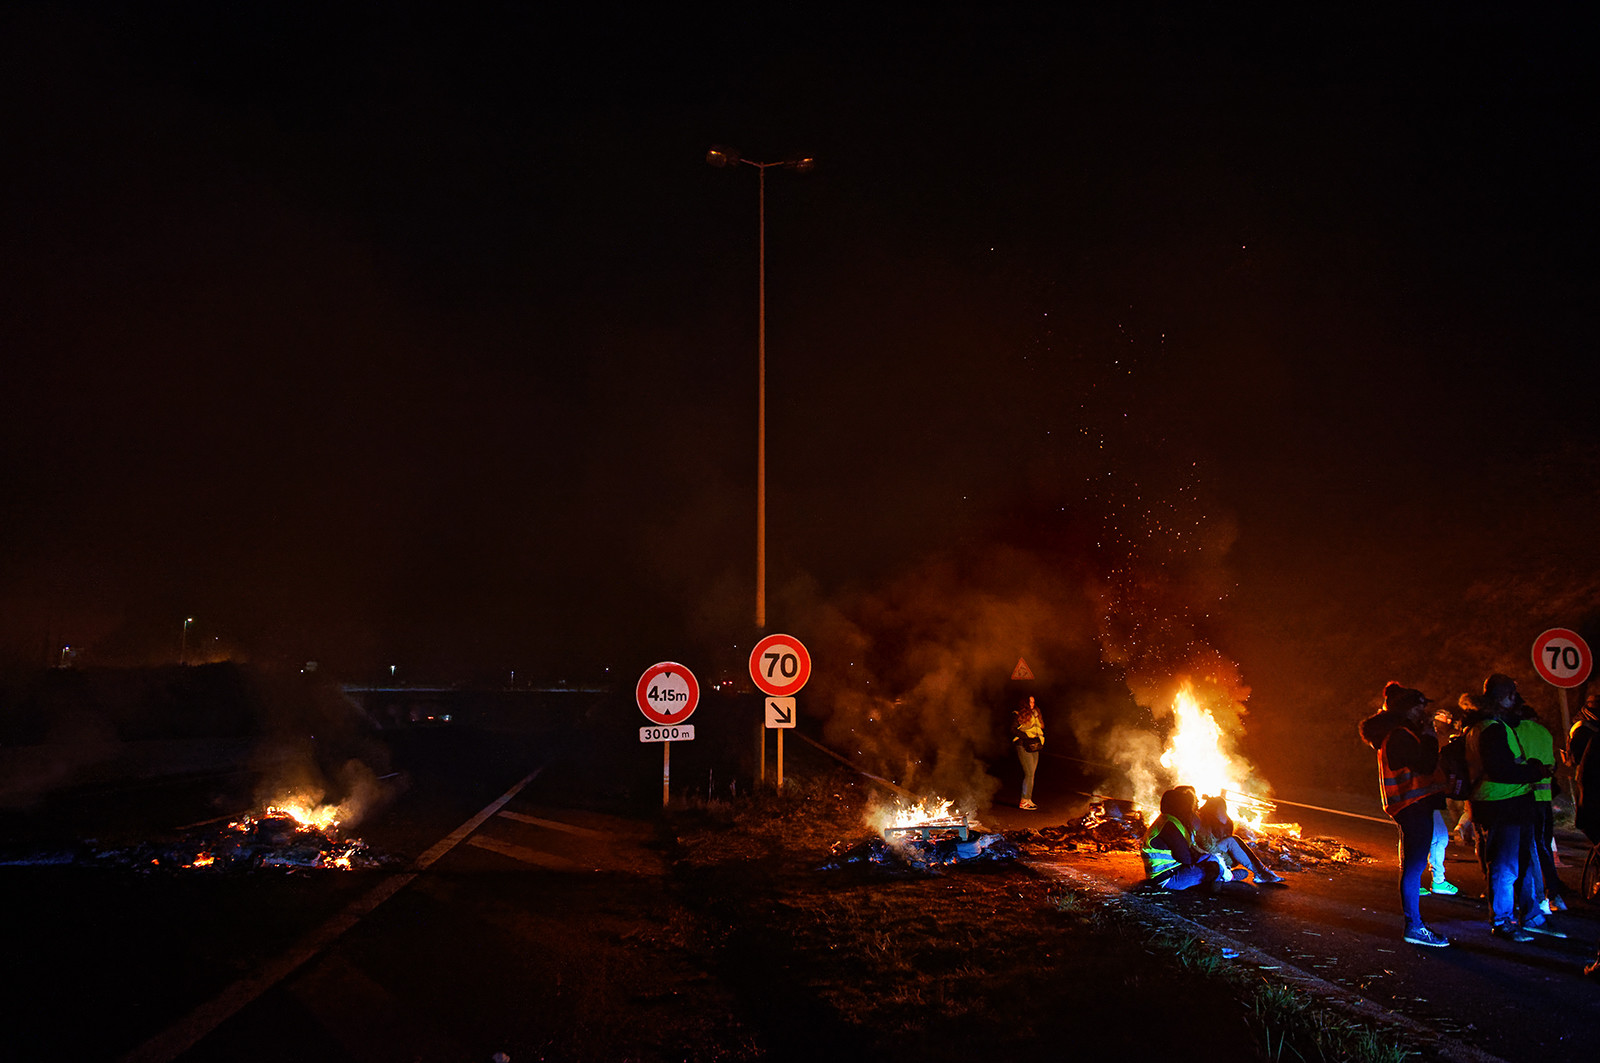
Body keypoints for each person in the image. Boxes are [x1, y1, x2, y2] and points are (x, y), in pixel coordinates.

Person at [1460, 673, 1553, 943]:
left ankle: (1529, 915)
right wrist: (1533, 771)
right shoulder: (1491, 728)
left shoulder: (1484, 725)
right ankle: (1502, 921)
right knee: (1505, 866)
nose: (1517, 701)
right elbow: (1500, 769)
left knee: (1516, 864)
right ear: (1503, 698)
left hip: (1504, 803)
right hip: (1502, 804)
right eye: (1513, 696)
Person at [1359, 682, 1451, 947]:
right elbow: (1424, 764)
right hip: (1413, 805)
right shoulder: (1400, 735)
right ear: (1409, 709)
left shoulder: (1399, 733)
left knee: (1414, 865)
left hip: (1412, 805)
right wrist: (1431, 738)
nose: (1424, 712)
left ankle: (1415, 923)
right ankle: (1414, 926)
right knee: (1413, 866)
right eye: (1421, 706)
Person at [1513, 695, 1567, 912]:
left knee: (1527, 850)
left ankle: (1534, 899)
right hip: (1544, 798)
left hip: (1524, 796)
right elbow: (1552, 765)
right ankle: (1554, 895)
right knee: (1544, 848)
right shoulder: (1544, 732)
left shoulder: (1514, 730)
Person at [1140, 785, 1228, 891]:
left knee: (1211, 861)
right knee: (1212, 867)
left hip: (1166, 873)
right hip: (1167, 879)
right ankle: (1223, 880)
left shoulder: (1167, 820)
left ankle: (1222, 877)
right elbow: (1185, 858)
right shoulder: (1169, 826)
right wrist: (1204, 859)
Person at [1195, 794, 1288, 887]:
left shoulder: (1217, 822)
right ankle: (1261, 873)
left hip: (1215, 852)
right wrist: (1225, 857)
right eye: (1220, 809)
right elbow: (1206, 846)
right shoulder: (1202, 820)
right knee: (1232, 840)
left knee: (1234, 839)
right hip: (1206, 854)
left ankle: (1262, 871)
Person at [1012, 695, 1044, 811]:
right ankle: (1024, 801)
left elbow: (1039, 729)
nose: (1032, 703)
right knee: (1029, 773)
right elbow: (1013, 729)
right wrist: (1025, 737)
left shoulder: (1036, 713)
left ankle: (1028, 799)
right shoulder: (1018, 714)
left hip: (1034, 745)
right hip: (1023, 745)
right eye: (1030, 701)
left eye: (1033, 701)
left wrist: (1039, 740)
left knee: (1032, 774)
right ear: (1025, 703)